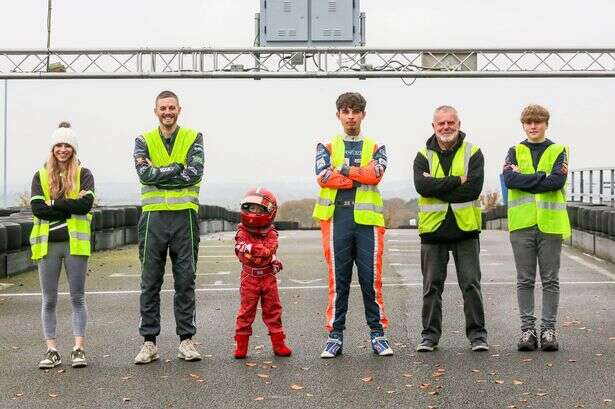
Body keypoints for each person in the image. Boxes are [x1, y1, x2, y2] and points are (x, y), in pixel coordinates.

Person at [312, 92, 392, 358]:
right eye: (345, 112)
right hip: (337, 219)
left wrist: (344, 170)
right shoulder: (326, 145)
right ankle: (334, 337)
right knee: (339, 280)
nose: (350, 117)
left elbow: (375, 175)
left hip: (368, 222)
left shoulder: (377, 145)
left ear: (363, 115)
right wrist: (360, 175)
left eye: (355, 112)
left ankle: (378, 335)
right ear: (338, 115)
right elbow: (324, 176)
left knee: (371, 280)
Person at [133, 90, 204, 364]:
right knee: (150, 282)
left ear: (179, 109)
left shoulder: (193, 137)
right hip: (153, 218)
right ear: (156, 111)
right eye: (163, 108)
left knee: (185, 280)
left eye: (171, 107)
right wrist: (177, 167)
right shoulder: (143, 140)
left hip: (184, 217)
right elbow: (144, 174)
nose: (167, 112)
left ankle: (186, 340)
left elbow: (194, 173)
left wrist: (160, 174)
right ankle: (149, 342)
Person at [413, 105, 488, 352]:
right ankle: (429, 337)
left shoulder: (473, 152)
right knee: (431, 287)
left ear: (458, 124)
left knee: (471, 285)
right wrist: (457, 180)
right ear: (433, 126)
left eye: (450, 123)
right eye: (441, 123)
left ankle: (478, 336)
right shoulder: (422, 155)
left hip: (465, 229)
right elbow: (423, 187)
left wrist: (438, 185)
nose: (446, 127)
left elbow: (473, 189)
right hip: (433, 231)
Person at [502, 104, 570, 352]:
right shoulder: (514, 151)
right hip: (522, 224)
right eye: (529, 122)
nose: (533, 126)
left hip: (551, 225)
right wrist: (543, 177)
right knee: (525, 279)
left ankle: (548, 330)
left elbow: (557, 181)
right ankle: (527, 330)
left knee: (551, 280)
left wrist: (527, 179)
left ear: (545, 124)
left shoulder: (559, 150)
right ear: (523, 125)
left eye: (538, 122)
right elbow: (510, 180)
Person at [30, 121, 95, 369]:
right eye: (58, 144)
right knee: (49, 299)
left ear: (74, 149)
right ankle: (52, 350)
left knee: (77, 297)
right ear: (52, 148)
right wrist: (69, 202)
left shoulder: (84, 173)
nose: (63, 149)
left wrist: (53, 204)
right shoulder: (41, 174)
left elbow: (85, 205)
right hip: (47, 246)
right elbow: (37, 209)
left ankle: (78, 348)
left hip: (75, 246)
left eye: (67, 145)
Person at [233, 188, 292, 359]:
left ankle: (279, 344)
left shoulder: (272, 232)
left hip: (268, 276)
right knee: (246, 312)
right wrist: (260, 251)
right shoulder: (241, 231)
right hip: (249, 277)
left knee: (273, 310)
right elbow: (241, 251)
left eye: (259, 209)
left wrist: (263, 253)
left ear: (270, 212)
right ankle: (241, 346)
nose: (254, 213)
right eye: (251, 208)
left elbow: (269, 249)